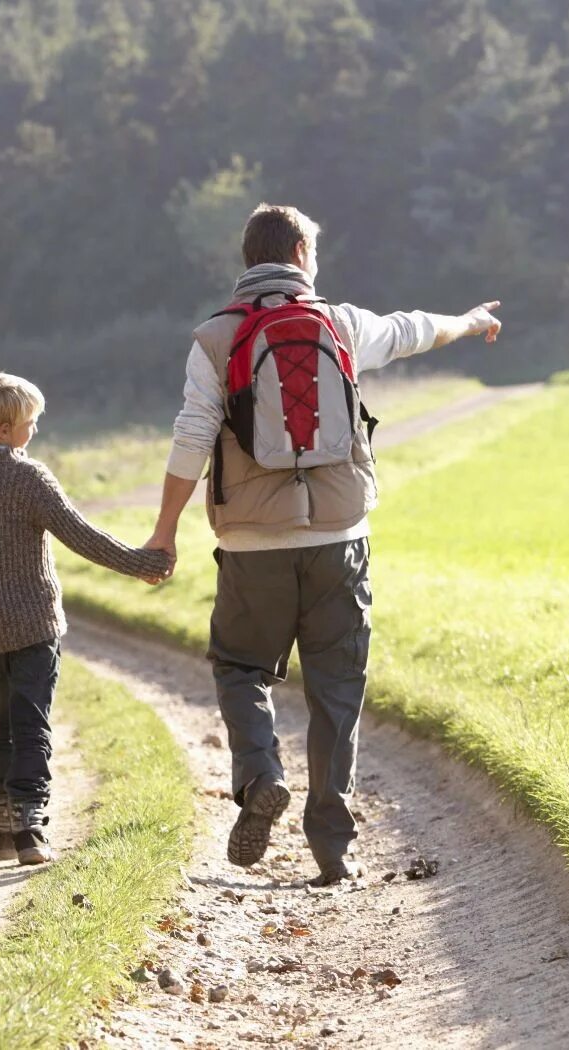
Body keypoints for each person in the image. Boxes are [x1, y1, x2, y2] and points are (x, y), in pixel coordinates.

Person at [143, 204, 503, 886]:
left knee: (242, 668)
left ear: (249, 259)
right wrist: (474, 321)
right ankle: (333, 848)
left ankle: (260, 780)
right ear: (303, 251)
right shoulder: (341, 323)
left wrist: (163, 533)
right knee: (336, 688)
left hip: (252, 544)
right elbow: (415, 330)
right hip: (341, 538)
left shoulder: (215, 340)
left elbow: (192, 436)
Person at [0, 371, 175, 865]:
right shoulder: (29, 476)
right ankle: (30, 826)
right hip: (36, 626)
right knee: (31, 721)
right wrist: (142, 563)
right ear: (4, 430)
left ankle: (0, 822)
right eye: (30, 422)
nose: (34, 430)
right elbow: (81, 536)